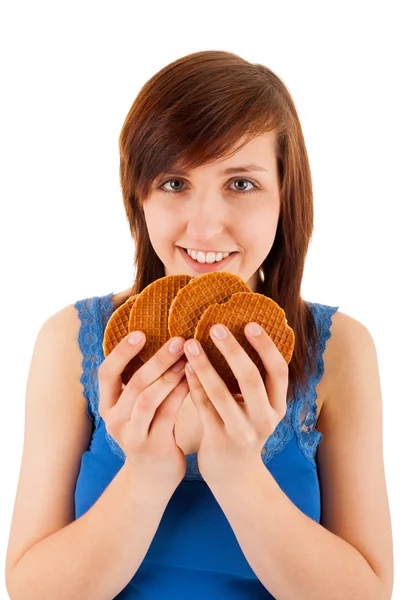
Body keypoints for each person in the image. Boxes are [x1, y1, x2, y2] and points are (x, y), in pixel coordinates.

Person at [5, 50, 393, 600]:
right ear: (138, 193)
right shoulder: (71, 340)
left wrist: (237, 473)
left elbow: (369, 594)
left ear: (287, 195)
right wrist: (146, 474)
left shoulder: (340, 348)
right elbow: (32, 590)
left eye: (241, 184)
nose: (205, 225)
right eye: (173, 182)